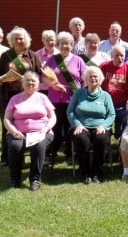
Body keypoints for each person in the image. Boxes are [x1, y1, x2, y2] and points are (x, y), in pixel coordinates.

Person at [0, 26, 43, 166]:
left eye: (21, 38)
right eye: (16, 38)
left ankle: (25, 152)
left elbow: (39, 74)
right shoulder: (6, 56)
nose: (18, 41)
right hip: (8, 95)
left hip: (27, 95)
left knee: (26, 123)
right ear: (11, 40)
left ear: (26, 40)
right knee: (8, 124)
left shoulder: (32, 55)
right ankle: (6, 157)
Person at [3, 72, 56, 190]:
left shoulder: (43, 98)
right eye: (27, 80)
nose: (30, 83)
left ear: (38, 84)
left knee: (38, 146)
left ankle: (35, 179)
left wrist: (46, 129)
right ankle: (14, 179)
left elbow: (52, 117)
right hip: (18, 132)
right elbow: (7, 118)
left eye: (33, 81)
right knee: (15, 146)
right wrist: (13, 131)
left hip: (41, 132)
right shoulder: (15, 99)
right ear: (22, 83)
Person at [43, 31, 87, 163]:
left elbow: (85, 79)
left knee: (71, 127)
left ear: (72, 45)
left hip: (73, 99)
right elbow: (43, 77)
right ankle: (51, 153)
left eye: (68, 43)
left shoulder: (78, 60)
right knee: (54, 127)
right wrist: (54, 85)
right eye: (62, 43)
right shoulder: (52, 59)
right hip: (55, 100)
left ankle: (70, 154)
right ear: (58, 45)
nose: (65, 46)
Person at [67, 66, 115, 184]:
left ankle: (97, 172)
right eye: (90, 76)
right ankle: (86, 172)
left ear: (100, 79)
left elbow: (111, 114)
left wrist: (103, 126)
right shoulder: (79, 93)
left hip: (100, 126)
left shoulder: (106, 96)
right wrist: (77, 124)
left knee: (101, 139)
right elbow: (70, 111)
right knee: (81, 138)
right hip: (81, 126)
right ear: (86, 80)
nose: (93, 78)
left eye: (96, 76)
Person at [100, 45, 128, 138]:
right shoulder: (104, 67)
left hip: (124, 105)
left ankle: (122, 145)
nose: (120, 58)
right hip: (106, 105)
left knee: (127, 120)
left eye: (122, 55)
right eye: (117, 55)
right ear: (112, 56)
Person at [36, 30, 59, 94]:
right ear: (43, 41)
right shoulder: (37, 55)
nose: (50, 42)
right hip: (41, 89)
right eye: (47, 40)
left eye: (51, 40)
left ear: (55, 41)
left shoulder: (60, 55)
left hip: (56, 89)